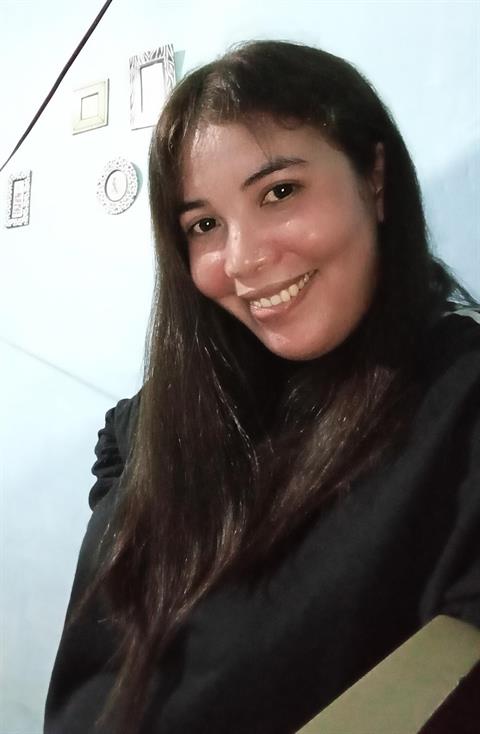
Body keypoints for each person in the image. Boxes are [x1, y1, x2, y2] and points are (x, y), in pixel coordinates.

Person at [44, 40, 480, 734]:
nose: (243, 259)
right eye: (204, 225)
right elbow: (118, 436)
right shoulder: (204, 388)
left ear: (374, 179)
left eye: (279, 192)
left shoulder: (457, 397)